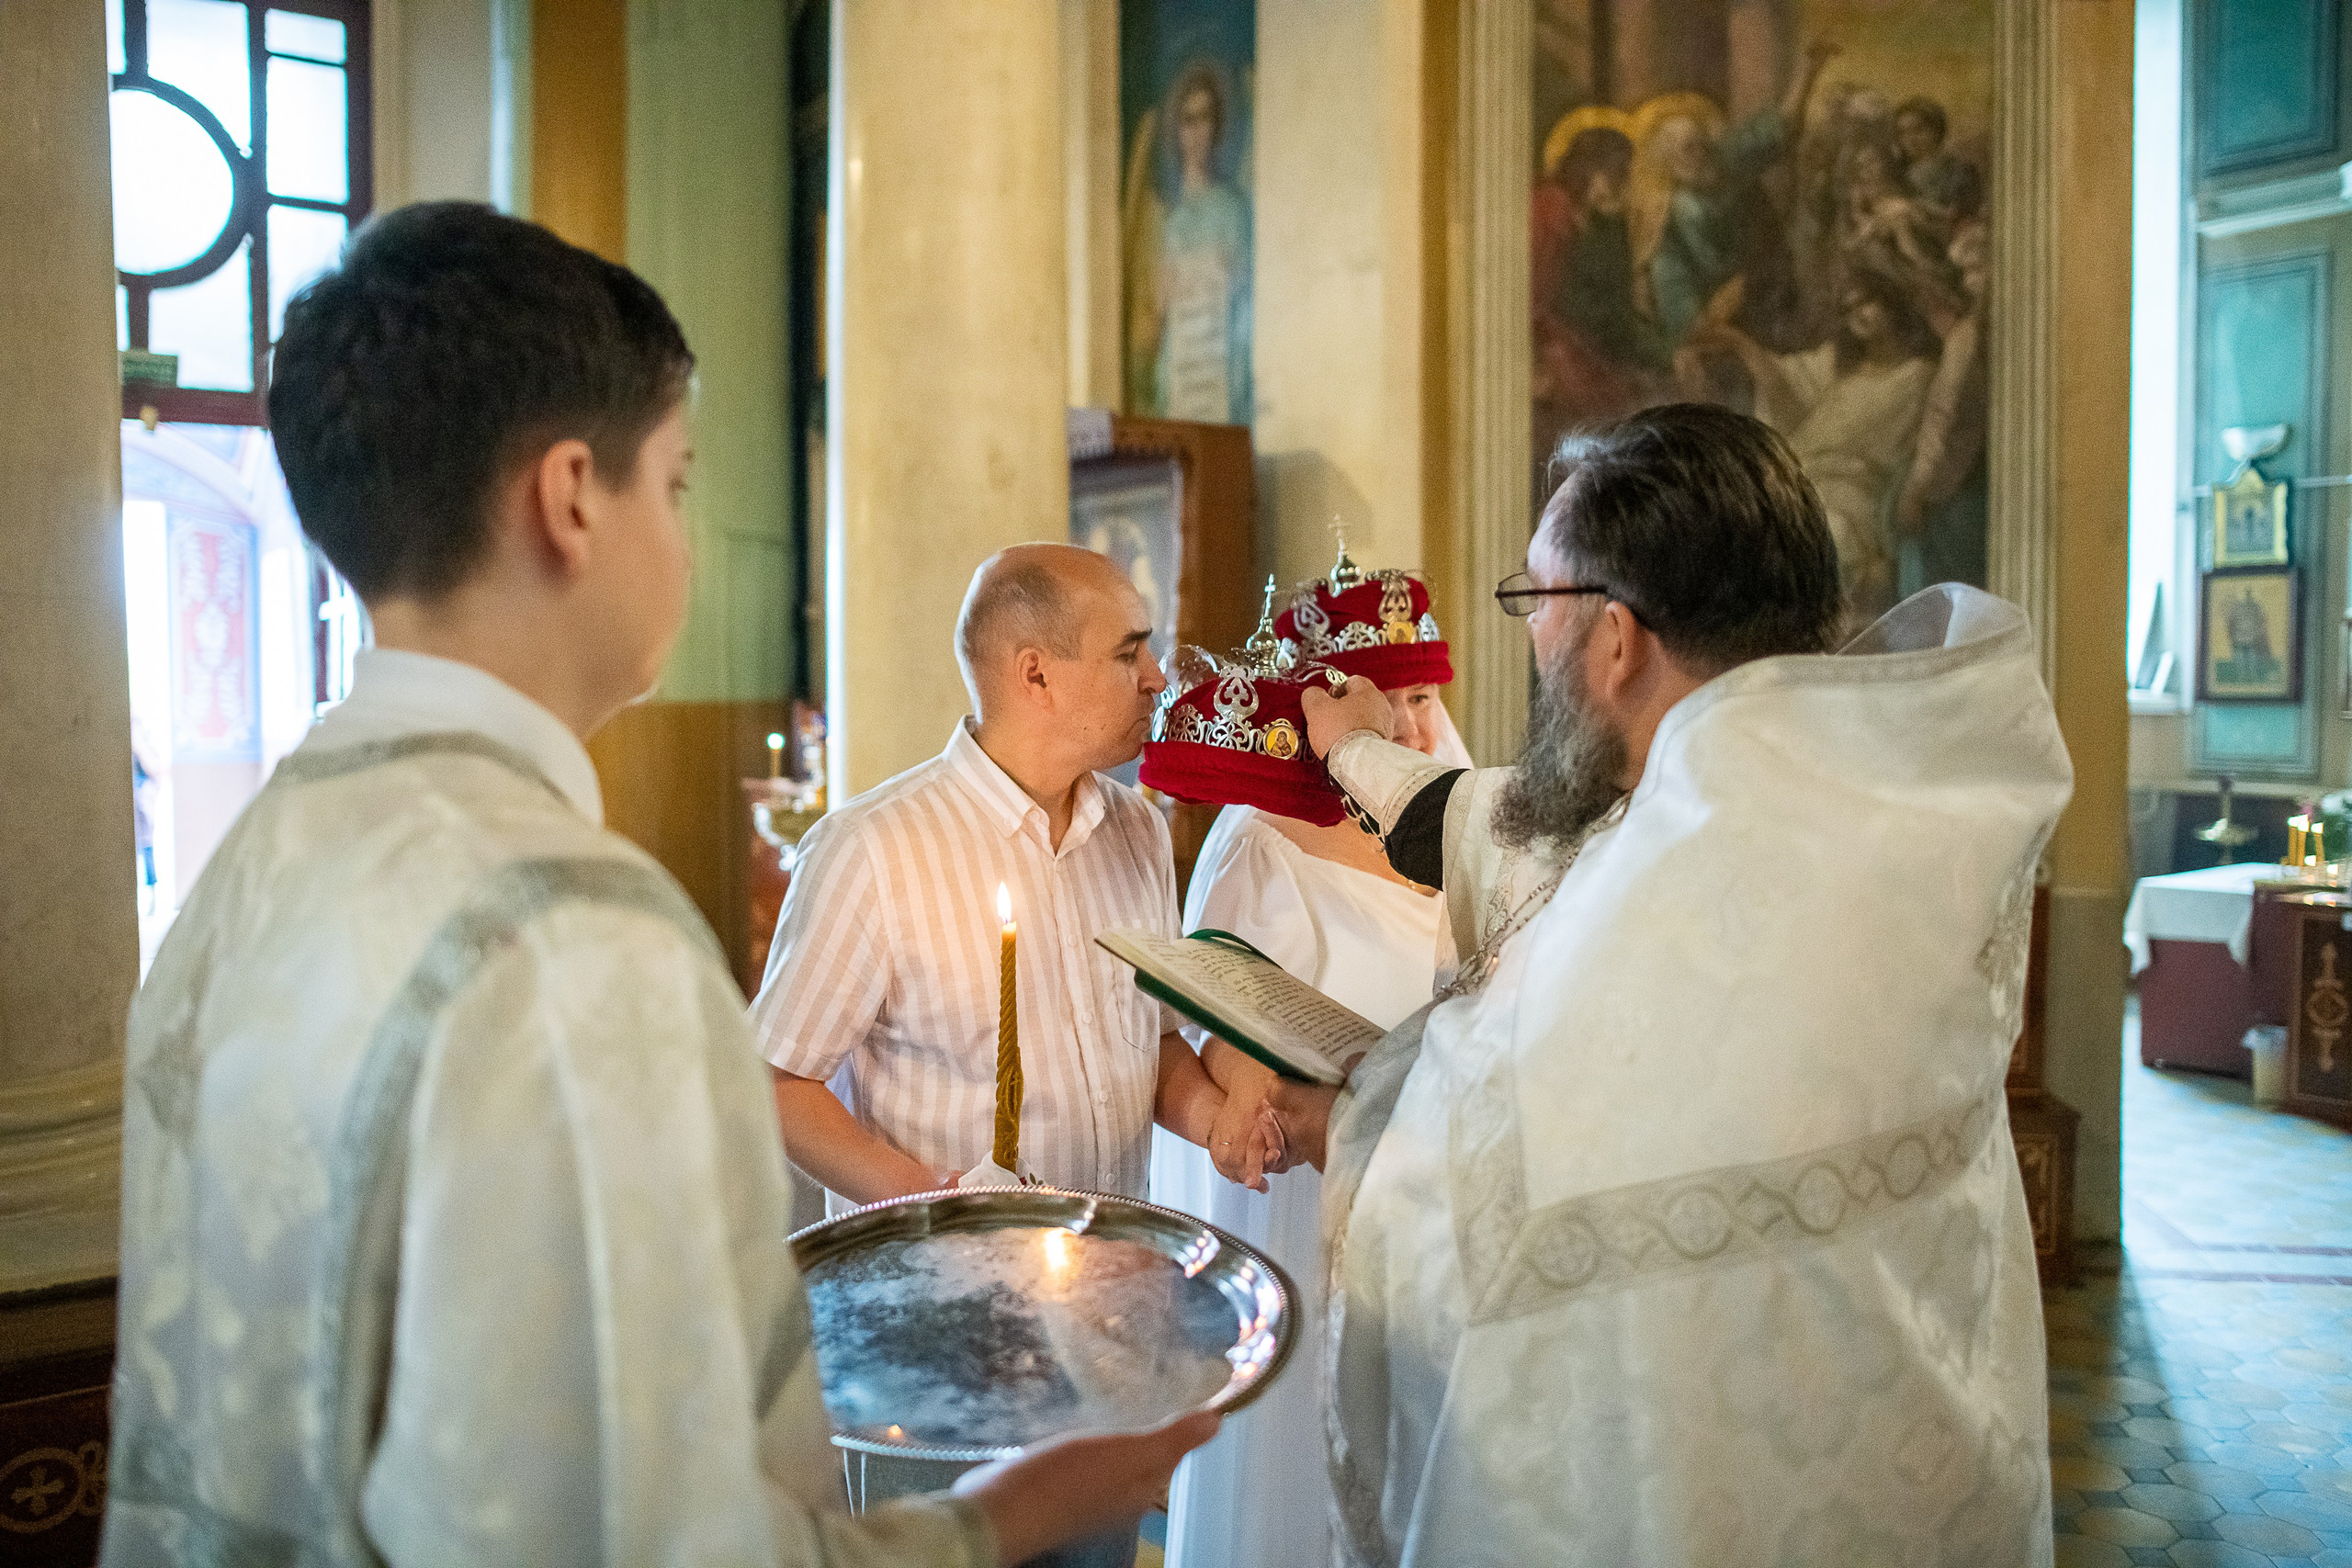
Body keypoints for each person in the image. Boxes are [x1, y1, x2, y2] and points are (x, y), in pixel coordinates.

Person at [102, 203, 1213, 1568]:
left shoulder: (248, 868)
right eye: (677, 485)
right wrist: (1016, 1509)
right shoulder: (571, 934)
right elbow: (677, 1542)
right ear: (572, 498)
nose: (687, 544)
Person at [1280, 403, 2070, 1564]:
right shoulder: (1882, 795)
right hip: (1912, 1459)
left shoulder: (1652, 916)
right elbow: (1537, 834)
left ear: (1615, 639)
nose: (1532, 639)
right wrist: (1360, 751)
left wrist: (1347, 1123)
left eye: (1536, 600)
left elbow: (1448, 1216)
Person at [1140, 556, 1468, 1568]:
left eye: (1424, 698)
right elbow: (1222, 1015)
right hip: (1309, 1198)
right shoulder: (1262, 840)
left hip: (1438, 1184)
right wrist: (1254, 1091)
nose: (1411, 728)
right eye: (1385, 700)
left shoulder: (1459, 819)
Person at [752, 543, 1244, 1207]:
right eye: (1129, 653)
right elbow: (779, 1082)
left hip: (1112, 1251)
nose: (1156, 677)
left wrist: (1218, 1125)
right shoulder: (870, 850)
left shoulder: (1137, 829)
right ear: (1036, 675)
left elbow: (1151, 1041)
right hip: (942, 1264)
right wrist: (933, 1203)